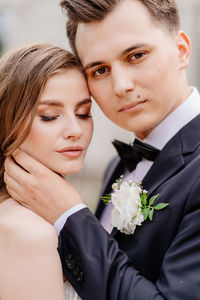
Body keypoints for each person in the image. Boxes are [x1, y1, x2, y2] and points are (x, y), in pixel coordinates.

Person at [4, 0, 200, 299]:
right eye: (99, 70)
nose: (121, 85)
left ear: (182, 49)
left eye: (136, 56)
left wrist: (69, 215)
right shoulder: (119, 166)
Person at [0, 43, 93, 299]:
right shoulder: (30, 233)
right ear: (10, 121)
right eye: (50, 116)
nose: (76, 129)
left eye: (84, 113)